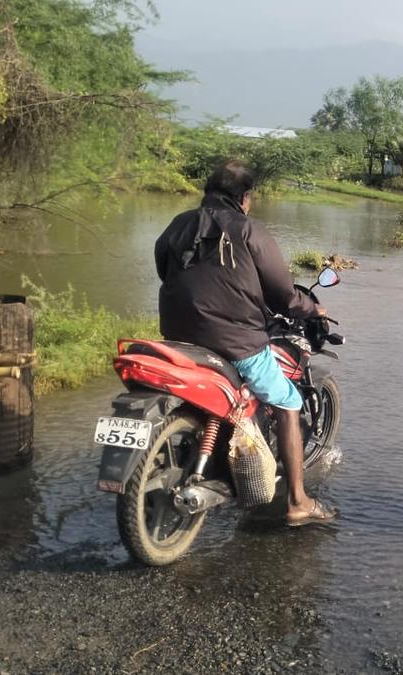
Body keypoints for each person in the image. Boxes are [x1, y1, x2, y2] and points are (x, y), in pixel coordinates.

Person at [154, 160, 333, 527]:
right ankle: (298, 501)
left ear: (207, 192)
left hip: (177, 338)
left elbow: (163, 269)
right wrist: (312, 307)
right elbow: (283, 294)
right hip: (235, 343)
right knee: (288, 402)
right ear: (244, 197)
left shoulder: (177, 224)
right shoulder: (250, 231)